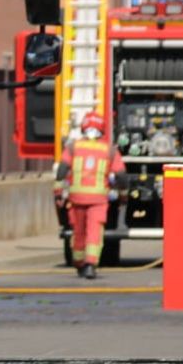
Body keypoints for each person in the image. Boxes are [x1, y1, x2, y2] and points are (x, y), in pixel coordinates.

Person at [55, 110, 126, 280]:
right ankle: (90, 264)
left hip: (76, 198)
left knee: (78, 231)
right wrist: (123, 194)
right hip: (98, 200)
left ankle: (78, 262)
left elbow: (62, 170)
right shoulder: (109, 150)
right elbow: (121, 174)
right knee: (94, 232)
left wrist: (58, 193)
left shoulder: (73, 147)